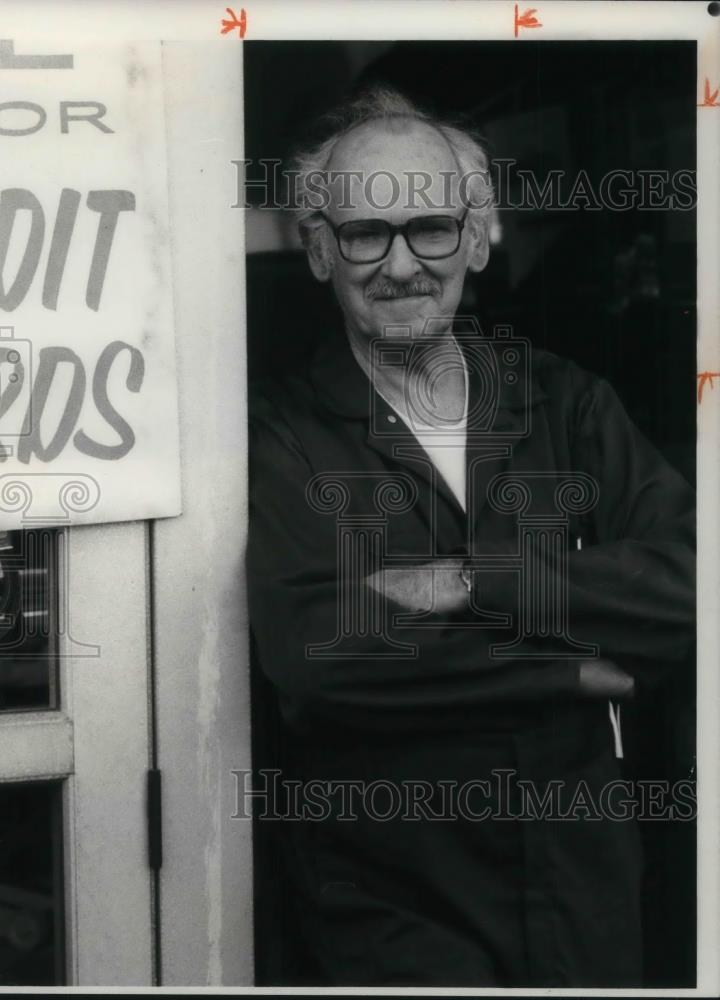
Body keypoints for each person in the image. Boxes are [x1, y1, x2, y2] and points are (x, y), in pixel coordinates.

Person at [246, 87, 695, 987]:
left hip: (584, 889)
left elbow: (693, 585)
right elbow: (318, 657)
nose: (402, 264)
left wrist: (477, 580)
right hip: (391, 903)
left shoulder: (569, 404)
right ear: (319, 249)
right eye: (367, 233)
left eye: (432, 228)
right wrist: (569, 666)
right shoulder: (277, 432)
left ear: (479, 237)